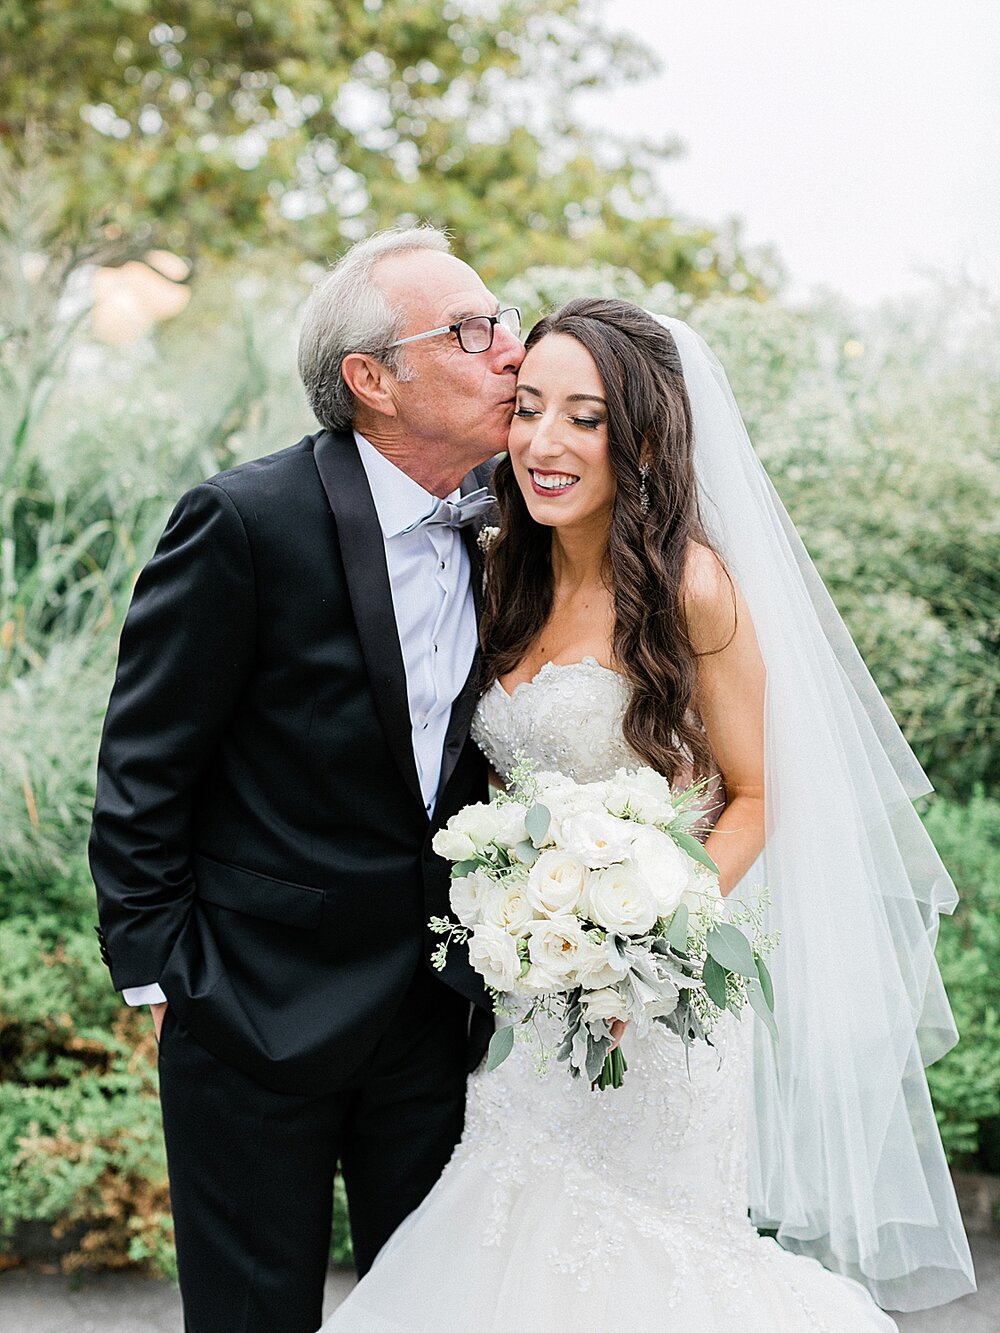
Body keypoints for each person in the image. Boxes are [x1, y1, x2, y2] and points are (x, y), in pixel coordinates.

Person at [322, 299, 976, 1329]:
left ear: (640, 436)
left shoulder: (693, 587)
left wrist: (648, 945)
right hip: (529, 998)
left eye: (583, 417)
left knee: (645, 1260)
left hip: (664, 1003)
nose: (544, 442)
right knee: (503, 1233)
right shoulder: (499, 572)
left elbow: (755, 797)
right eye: (527, 406)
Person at [89, 226, 524, 1332]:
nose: (509, 349)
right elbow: (145, 767)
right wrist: (166, 979)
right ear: (371, 380)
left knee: (427, 1313)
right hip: (252, 1008)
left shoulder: (520, 521)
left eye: (507, 319)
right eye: (471, 331)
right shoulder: (244, 521)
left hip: (438, 1016)